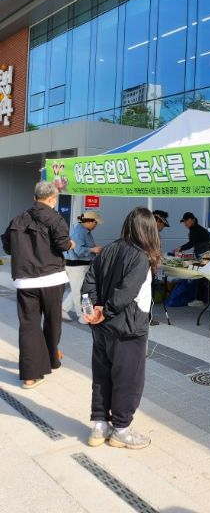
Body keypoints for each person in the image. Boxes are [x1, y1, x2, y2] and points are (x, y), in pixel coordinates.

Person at [81, 207, 161, 449]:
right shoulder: (140, 256)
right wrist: (105, 310)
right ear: (149, 230)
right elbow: (126, 292)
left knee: (102, 375)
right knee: (128, 378)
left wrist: (91, 308)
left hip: (102, 327)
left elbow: (89, 281)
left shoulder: (109, 249)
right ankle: (121, 429)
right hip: (128, 328)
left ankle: (99, 426)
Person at [1, 181, 74, 389]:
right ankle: (51, 359)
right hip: (52, 279)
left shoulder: (17, 219)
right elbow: (63, 244)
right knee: (52, 321)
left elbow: (8, 246)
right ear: (52, 199)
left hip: (25, 281)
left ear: (34, 198)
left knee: (29, 326)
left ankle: (30, 377)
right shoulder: (55, 218)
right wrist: (71, 244)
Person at [62, 211, 104, 324]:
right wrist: (93, 249)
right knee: (80, 292)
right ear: (90, 222)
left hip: (79, 266)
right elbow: (79, 251)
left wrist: (93, 248)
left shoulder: (83, 231)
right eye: (95, 223)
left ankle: (63, 309)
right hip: (77, 266)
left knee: (79, 290)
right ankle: (83, 316)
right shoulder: (79, 232)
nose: (96, 225)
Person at [175, 212, 210, 307]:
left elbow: (191, 243)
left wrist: (180, 248)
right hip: (207, 253)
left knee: (201, 275)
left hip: (206, 253)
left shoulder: (195, 229)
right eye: (184, 221)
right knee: (208, 275)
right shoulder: (196, 228)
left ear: (193, 220)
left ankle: (200, 299)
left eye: (186, 221)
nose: (185, 223)